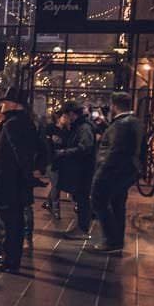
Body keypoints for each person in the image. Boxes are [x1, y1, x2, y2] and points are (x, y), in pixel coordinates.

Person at [0, 87, 37, 272]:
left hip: (8, 182)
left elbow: (20, 155)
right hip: (14, 182)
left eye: (6, 101)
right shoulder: (24, 122)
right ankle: (11, 259)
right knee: (13, 222)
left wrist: (26, 177)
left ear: (15, 104)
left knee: (10, 223)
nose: (3, 105)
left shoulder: (13, 123)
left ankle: (10, 261)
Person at [90, 92, 143, 254]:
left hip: (112, 171)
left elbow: (115, 151)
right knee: (117, 204)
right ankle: (116, 241)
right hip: (127, 171)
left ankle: (111, 240)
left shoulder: (121, 125)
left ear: (114, 105)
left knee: (99, 202)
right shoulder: (134, 122)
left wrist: (100, 173)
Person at [52, 100, 95, 238]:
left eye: (66, 114)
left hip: (82, 171)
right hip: (79, 170)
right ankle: (81, 228)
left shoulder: (84, 127)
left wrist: (64, 152)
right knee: (80, 199)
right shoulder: (78, 126)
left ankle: (82, 229)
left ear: (71, 114)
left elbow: (85, 148)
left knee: (82, 199)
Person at [42, 110, 67, 218]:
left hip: (62, 161)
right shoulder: (50, 128)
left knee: (57, 184)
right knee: (56, 185)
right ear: (59, 118)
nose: (66, 119)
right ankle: (56, 209)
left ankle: (48, 202)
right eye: (64, 117)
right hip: (51, 161)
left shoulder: (67, 130)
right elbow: (46, 145)